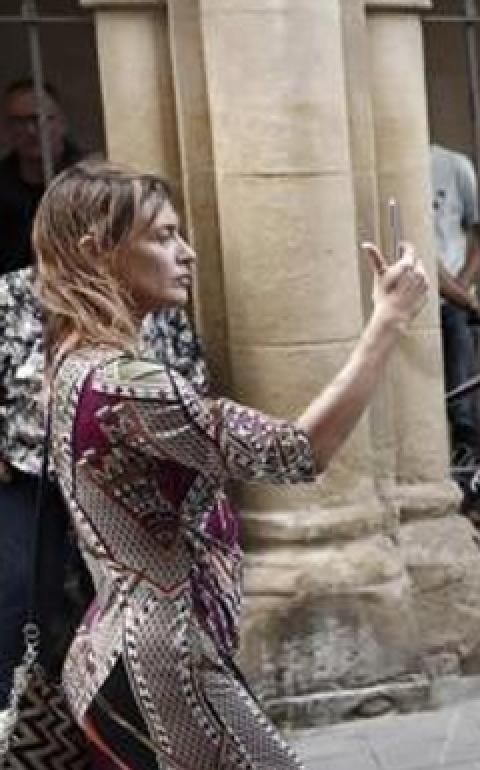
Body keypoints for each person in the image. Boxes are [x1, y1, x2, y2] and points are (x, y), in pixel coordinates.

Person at [32, 160, 428, 768]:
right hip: (165, 665)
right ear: (99, 251)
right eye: (162, 237)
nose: (186, 252)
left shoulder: (74, 363)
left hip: (117, 651)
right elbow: (297, 452)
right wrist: (386, 322)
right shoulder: (126, 385)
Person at [0, 265, 207, 708]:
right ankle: (15, 722)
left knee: (140, 616)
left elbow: (191, 386)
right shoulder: (14, 293)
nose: (183, 254)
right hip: (33, 478)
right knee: (19, 595)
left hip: (127, 483)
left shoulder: (151, 300)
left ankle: (136, 723)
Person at [431, 144, 480, 463]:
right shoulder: (391, 169)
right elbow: (421, 254)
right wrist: (469, 301)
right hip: (415, 299)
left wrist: (462, 287)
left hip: (456, 304)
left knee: (463, 403)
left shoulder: (455, 165)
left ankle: (470, 489)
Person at [0, 79, 84, 275]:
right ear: (6, 129)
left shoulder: (89, 180)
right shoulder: (3, 183)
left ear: (61, 123)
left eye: (40, 119)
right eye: (19, 122)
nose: (30, 130)